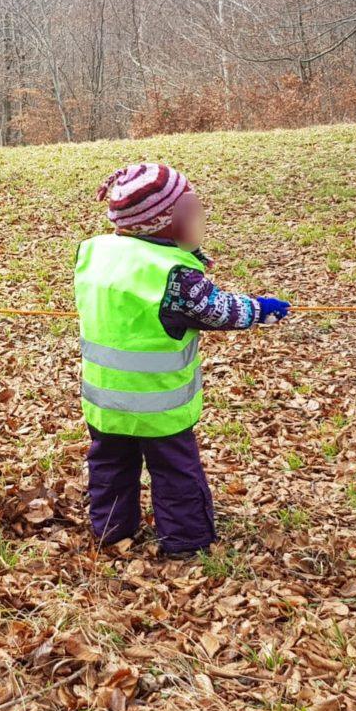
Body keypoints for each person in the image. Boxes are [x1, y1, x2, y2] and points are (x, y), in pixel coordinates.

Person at [75, 163, 291, 557]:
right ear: (164, 224)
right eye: (192, 211)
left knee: (109, 469)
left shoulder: (95, 253)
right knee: (176, 473)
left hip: (104, 403)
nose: (200, 218)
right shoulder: (172, 275)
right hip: (159, 407)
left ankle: (110, 531)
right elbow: (218, 310)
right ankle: (186, 543)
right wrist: (261, 310)